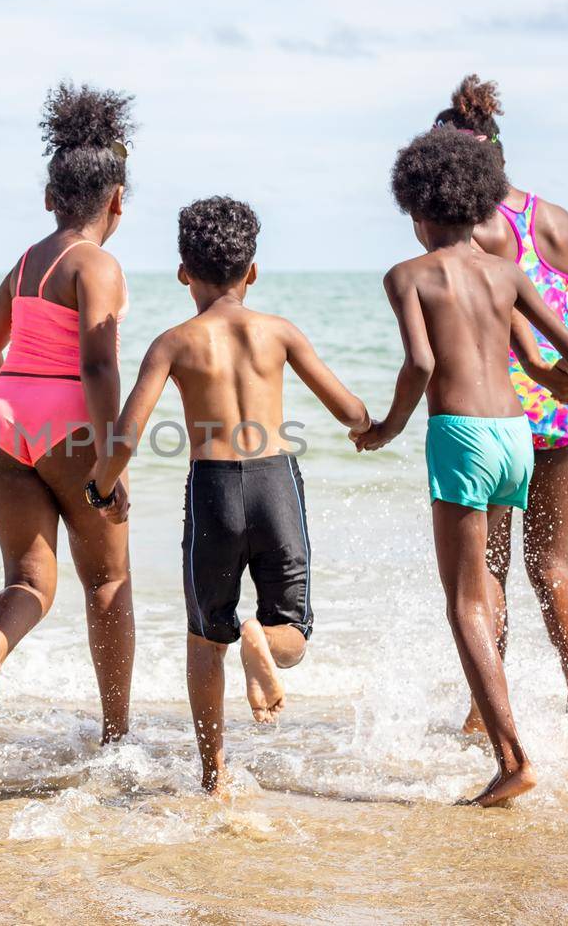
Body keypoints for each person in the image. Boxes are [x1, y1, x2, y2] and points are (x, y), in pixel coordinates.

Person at [87, 197, 371, 794]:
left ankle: (213, 776)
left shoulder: (173, 343)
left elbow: (126, 435)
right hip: (275, 485)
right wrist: (370, 425)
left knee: (203, 638)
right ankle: (263, 641)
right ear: (253, 270)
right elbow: (350, 409)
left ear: (183, 271)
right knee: (293, 631)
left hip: (213, 489)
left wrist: (101, 488)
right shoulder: (281, 333)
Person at [353, 128, 568, 806]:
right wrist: (562, 379)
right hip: (518, 434)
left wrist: (387, 428)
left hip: (459, 434)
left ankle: (512, 754)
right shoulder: (507, 272)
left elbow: (423, 364)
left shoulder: (407, 275)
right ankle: (503, 731)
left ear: (419, 211)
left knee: (466, 601)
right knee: (490, 584)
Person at [0, 82, 136, 753]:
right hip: (68, 421)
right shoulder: (98, 264)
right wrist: (112, 458)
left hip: (5, 413)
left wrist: (0, 417)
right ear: (117, 200)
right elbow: (100, 367)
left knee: (27, 581)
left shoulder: (26, 261)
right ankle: (115, 737)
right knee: (107, 580)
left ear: (52, 197)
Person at [433, 76, 568, 730]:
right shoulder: (556, 220)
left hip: (496, 414)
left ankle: (488, 715)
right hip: (563, 414)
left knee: (492, 569)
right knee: (553, 564)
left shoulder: (468, 234)